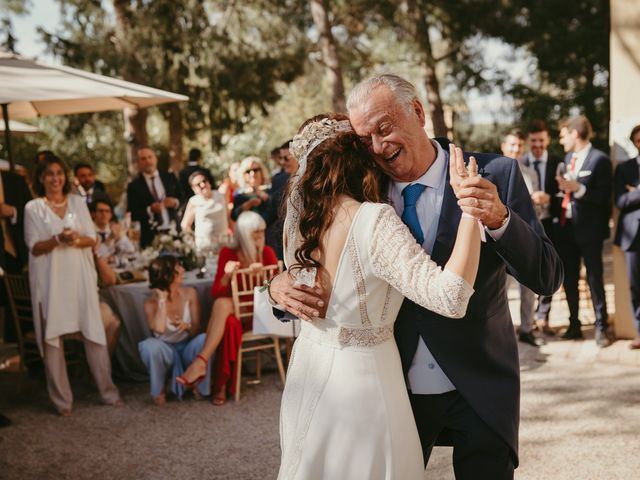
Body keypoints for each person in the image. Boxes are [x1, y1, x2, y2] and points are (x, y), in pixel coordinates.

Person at [270, 74, 563, 479]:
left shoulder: (496, 174)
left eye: (384, 128)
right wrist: (278, 286)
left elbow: (548, 276)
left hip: (479, 386)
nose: (377, 146)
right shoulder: (363, 192)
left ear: (419, 113)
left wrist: (498, 218)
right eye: (365, 137)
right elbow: (314, 265)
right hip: (394, 396)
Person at [273, 112, 480, 479]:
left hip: (309, 368)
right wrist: (469, 211)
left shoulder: (301, 224)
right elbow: (450, 297)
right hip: (364, 383)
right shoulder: (374, 220)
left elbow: (294, 285)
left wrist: (274, 286)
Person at [24, 154, 123, 416]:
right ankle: (62, 400)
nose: (55, 178)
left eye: (59, 173)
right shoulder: (33, 208)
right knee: (53, 339)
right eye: (50, 174)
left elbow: (92, 240)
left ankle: (107, 390)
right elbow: (34, 247)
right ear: (41, 178)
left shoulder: (78, 203)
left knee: (94, 332)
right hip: (51, 283)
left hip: (79, 279)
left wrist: (73, 240)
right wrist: (58, 239)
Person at [177, 211, 277, 406]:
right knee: (228, 318)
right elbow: (216, 292)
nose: (259, 237)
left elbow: (274, 293)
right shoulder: (228, 253)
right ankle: (218, 381)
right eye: (254, 233)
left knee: (225, 312)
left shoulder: (267, 253)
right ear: (243, 234)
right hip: (233, 314)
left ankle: (209, 372)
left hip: (257, 315)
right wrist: (226, 275)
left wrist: (262, 276)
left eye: (261, 232)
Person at [555, 115, 612, 346]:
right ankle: (574, 324)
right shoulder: (568, 158)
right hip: (567, 230)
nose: (561, 140)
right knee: (569, 278)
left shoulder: (600, 160)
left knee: (594, 277)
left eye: (563, 135)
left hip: (590, 231)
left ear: (575, 134)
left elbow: (604, 197)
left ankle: (601, 327)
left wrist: (578, 188)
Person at [138, 256, 210, 405]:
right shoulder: (150, 304)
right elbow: (159, 329)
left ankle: (200, 385)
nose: (183, 270)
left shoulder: (190, 293)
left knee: (205, 339)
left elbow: (197, 328)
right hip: (166, 352)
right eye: (178, 268)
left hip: (187, 348)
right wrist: (162, 299)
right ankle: (159, 389)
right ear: (167, 276)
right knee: (149, 346)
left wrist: (187, 327)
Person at [500, 129, 545, 347]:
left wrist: (539, 202)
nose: (516, 149)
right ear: (503, 146)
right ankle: (502, 333)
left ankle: (527, 329)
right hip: (501, 240)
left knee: (528, 290)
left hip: (526, 237)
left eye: (519, 145)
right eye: (512, 145)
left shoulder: (530, 174)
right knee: (501, 290)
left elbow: (538, 213)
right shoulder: (493, 170)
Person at [522, 120, 562, 335]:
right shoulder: (520, 163)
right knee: (530, 266)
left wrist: (550, 199)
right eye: (533, 141)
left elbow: (564, 194)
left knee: (548, 267)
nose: (537, 144)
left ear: (547, 140)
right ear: (528, 142)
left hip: (551, 223)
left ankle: (543, 316)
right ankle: (528, 318)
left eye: (541, 140)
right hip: (529, 224)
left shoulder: (558, 163)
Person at [613, 124, 640, 349]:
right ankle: (639, 333)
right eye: (639, 140)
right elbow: (620, 202)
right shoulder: (624, 169)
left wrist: (636, 192)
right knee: (635, 286)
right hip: (633, 237)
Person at [0, 162, 32, 344]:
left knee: (19, 302)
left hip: (15, 254)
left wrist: (12, 211)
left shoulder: (15, 182)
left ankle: (22, 350)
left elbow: (31, 212)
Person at [126, 146, 184, 248]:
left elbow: (182, 199)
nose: (147, 161)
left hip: (175, 233)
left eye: (150, 157)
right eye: (143, 159)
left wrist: (175, 202)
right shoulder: (133, 186)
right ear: (138, 163)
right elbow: (133, 213)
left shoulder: (169, 176)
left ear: (155, 159)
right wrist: (150, 209)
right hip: (150, 237)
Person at [180, 171, 228, 253]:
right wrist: (192, 244)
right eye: (198, 184)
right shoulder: (194, 201)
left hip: (223, 243)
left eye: (204, 181)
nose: (203, 185)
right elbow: (185, 225)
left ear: (209, 182)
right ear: (193, 189)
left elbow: (228, 216)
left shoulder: (220, 195)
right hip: (205, 248)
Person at [266, 141, 298, 260]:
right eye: (280, 158)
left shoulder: (312, 180)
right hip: (282, 242)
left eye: (286, 158)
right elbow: (272, 212)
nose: (282, 163)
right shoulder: (278, 181)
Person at [231, 156, 271, 222]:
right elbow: (234, 217)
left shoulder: (270, 189)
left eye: (255, 170)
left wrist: (265, 197)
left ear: (262, 171)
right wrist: (247, 205)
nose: (252, 174)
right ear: (243, 174)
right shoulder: (239, 194)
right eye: (248, 171)